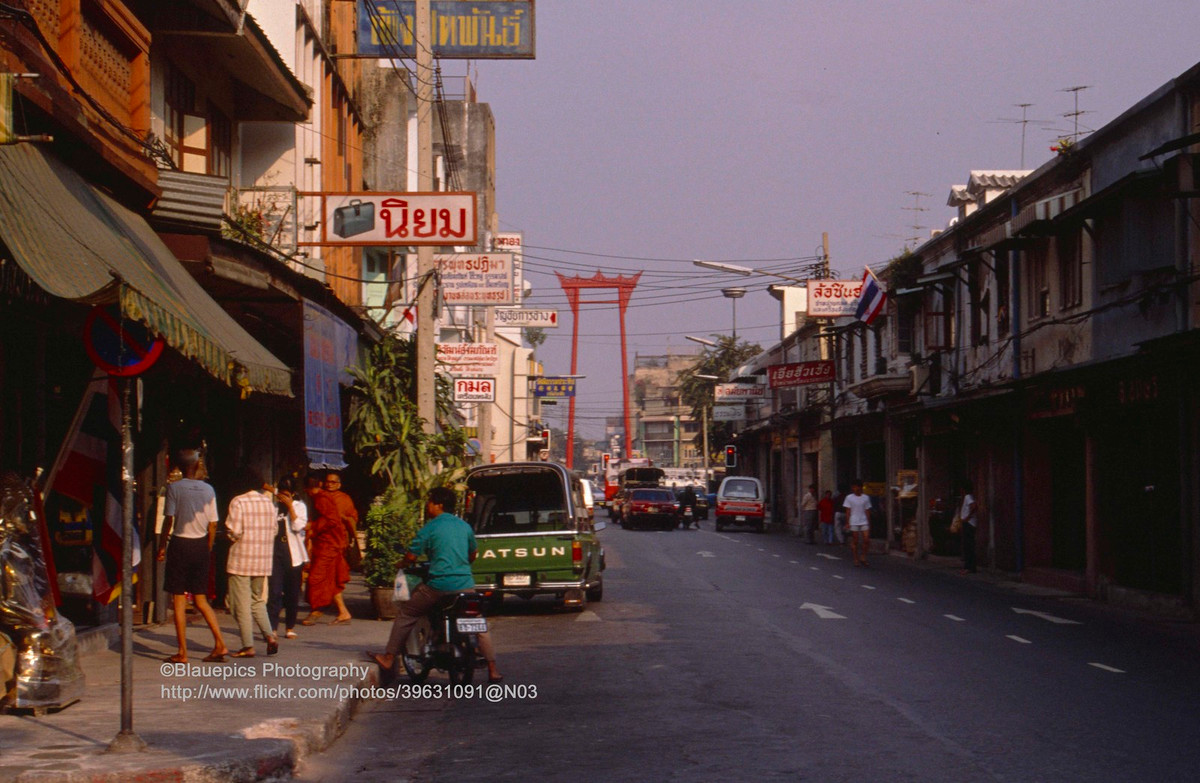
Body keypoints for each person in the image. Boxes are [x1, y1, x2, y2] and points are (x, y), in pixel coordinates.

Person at [368, 486, 502, 683]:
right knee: (478, 623)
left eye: (430, 502)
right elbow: (473, 554)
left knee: (407, 613)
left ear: (438, 505)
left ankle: (388, 657)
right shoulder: (464, 526)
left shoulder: (430, 527)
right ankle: (492, 669)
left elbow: (411, 556)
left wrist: (402, 564)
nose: (428, 506)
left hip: (439, 585)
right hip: (465, 584)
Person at [156, 449, 228, 664]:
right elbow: (213, 523)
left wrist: (162, 546)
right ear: (197, 466)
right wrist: (207, 546)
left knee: (178, 598)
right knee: (201, 599)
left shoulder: (174, 488)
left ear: (177, 466)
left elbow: (169, 520)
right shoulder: (209, 490)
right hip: (200, 545)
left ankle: (182, 652)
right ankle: (220, 643)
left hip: (180, 544)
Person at [225, 469, 280, 657]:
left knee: (240, 605)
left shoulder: (238, 501)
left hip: (241, 559)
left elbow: (235, 531)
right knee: (257, 601)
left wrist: (229, 536)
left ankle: (247, 645)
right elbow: (274, 530)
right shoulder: (268, 503)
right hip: (262, 560)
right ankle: (270, 636)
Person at [302, 471, 356, 625]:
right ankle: (343, 612)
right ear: (321, 483)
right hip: (326, 542)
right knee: (331, 578)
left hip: (331, 543)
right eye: (328, 482)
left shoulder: (325, 499)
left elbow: (333, 520)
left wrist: (313, 526)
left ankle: (316, 610)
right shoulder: (323, 497)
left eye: (333, 482)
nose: (330, 484)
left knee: (315, 578)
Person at [267, 477, 308, 640]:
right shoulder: (273, 507)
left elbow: (299, 527)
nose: (283, 498)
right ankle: (272, 628)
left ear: (292, 494)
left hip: (294, 554)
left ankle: (289, 627)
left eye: (286, 495)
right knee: (274, 591)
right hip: (276, 552)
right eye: (281, 495)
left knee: (292, 592)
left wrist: (291, 507)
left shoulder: (300, 506)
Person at [843, 479, 874, 567]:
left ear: (860, 487)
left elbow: (867, 510)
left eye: (855, 487)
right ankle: (855, 558)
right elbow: (848, 511)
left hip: (864, 520)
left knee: (866, 539)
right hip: (854, 521)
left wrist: (869, 522)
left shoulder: (866, 497)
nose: (854, 489)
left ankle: (863, 556)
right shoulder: (849, 497)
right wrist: (847, 522)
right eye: (853, 487)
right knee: (855, 540)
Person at [958, 480, 978, 574]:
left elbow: (974, 506)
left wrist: (967, 517)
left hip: (968, 523)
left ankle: (968, 567)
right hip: (970, 523)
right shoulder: (969, 497)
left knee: (968, 546)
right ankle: (971, 567)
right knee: (969, 545)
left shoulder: (967, 497)